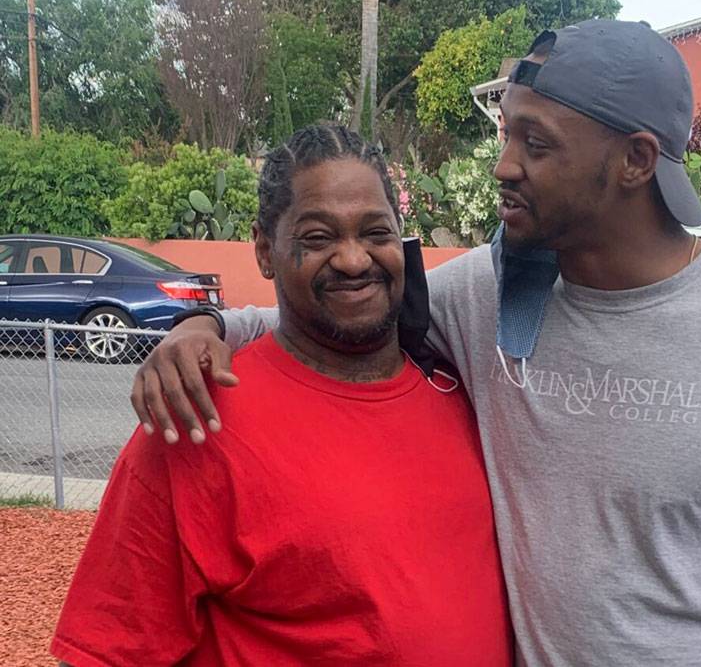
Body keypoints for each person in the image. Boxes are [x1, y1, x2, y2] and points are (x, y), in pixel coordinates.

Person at [131, 20, 701, 665]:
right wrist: (203, 326)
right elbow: (341, 316)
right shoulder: (493, 293)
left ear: (636, 160)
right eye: (508, 134)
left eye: (535, 144)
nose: (504, 165)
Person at [51, 125, 514, 666]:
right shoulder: (197, 418)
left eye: (376, 233)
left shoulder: (457, 389)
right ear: (265, 251)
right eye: (318, 238)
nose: (353, 259)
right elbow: (104, 652)